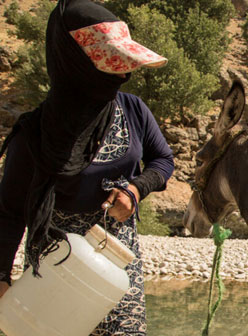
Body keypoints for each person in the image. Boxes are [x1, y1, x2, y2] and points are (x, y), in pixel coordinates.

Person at [0, 0, 174, 334]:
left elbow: (162, 161)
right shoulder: (33, 135)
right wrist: (0, 278)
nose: (123, 75)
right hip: (51, 269)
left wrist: (136, 190)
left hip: (115, 259)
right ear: (75, 62)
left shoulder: (132, 109)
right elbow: (8, 214)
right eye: (112, 63)